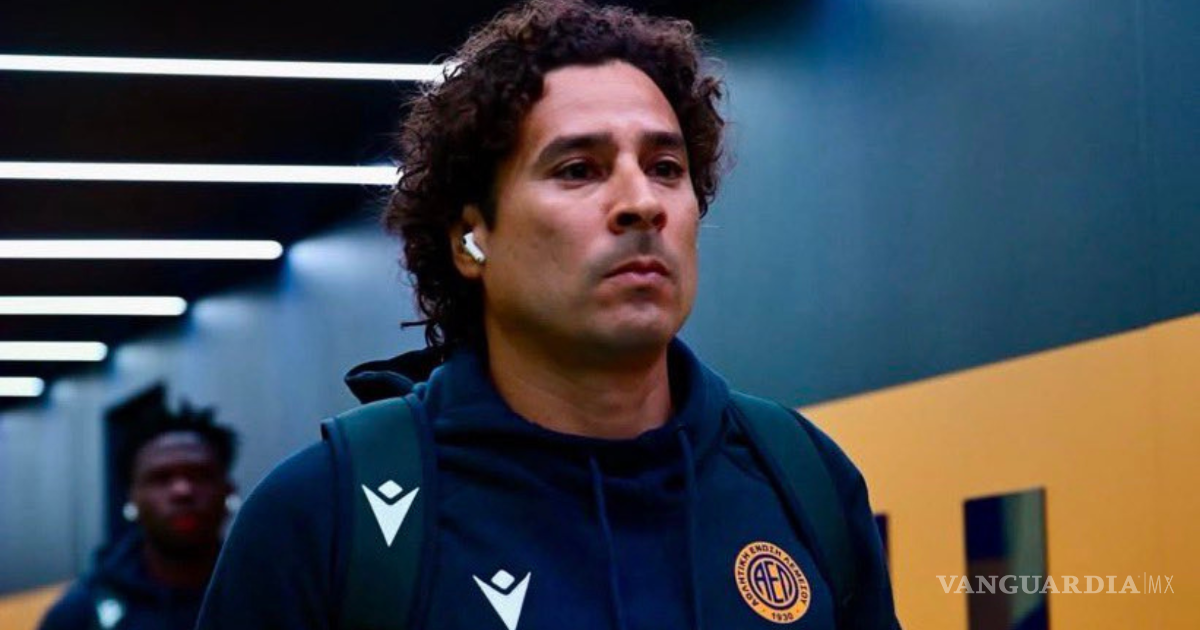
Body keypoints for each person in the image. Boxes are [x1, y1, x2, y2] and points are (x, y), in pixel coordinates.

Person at [198, 1, 901, 628]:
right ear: (471, 239)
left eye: (665, 167)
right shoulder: (324, 516)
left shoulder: (801, 480)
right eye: (578, 170)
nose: (642, 203)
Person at [39, 401, 237, 630]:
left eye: (199, 475)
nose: (182, 491)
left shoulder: (261, 592)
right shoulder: (80, 614)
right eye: (161, 478)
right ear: (131, 497)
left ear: (229, 490)